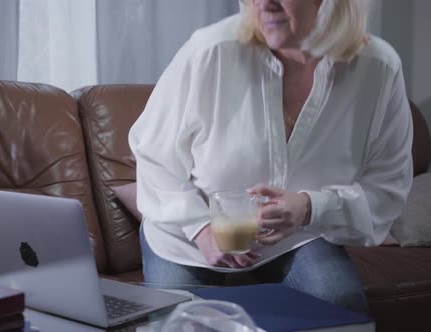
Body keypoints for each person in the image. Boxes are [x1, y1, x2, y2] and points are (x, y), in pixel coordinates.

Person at [128, 0, 413, 315]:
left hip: (297, 237)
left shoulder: (379, 69)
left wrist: (309, 207)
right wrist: (200, 228)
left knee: (340, 305)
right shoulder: (211, 50)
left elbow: (387, 187)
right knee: (178, 322)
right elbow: (153, 153)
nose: (263, 3)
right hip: (186, 239)